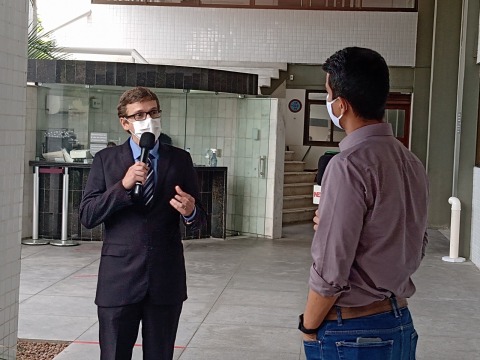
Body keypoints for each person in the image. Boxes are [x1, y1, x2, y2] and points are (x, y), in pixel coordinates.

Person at [298, 47, 429, 360]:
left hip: (352, 333)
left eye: (328, 94)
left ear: (341, 105)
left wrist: (309, 324)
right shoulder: (410, 162)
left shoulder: (348, 165)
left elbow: (331, 271)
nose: (329, 102)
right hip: (399, 322)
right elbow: (414, 241)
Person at [80, 86, 206, 360]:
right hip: (119, 279)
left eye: (152, 112)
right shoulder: (105, 160)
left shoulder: (180, 159)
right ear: (125, 123)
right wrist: (122, 186)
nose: (147, 119)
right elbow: (88, 216)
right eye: (138, 115)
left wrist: (191, 212)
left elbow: (199, 221)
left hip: (165, 278)